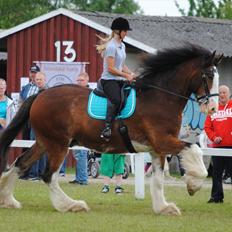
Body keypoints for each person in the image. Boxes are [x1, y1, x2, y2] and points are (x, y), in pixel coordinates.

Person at [96, 17, 135, 141]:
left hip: (118, 80)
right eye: (125, 31)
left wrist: (132, 73)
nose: (126, 33)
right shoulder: (111, 46)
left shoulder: (122, 46)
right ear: (118, 31)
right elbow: (111, 69)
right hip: (108, 80)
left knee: (128, 95)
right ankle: (107, 127)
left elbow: (122, 65)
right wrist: (126, 76)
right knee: (117, 100)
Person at [204, 85, 232, 203]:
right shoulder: (212, 109)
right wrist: (214, 137)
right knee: (216, 174)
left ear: (229, 93)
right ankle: (216, 197)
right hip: (218, 148)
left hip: (231, 147)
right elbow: (207, 127)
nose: (222, 95)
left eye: (224, 92)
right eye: (220, 92)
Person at [69, 72, 89, 185]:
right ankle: (78, 178)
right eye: (78, 80)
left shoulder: (88, 94)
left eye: (81, 80)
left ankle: (82, 179)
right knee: (76, 154)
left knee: (81, 154)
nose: (79, 82)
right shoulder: (77, 94)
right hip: (75, 127)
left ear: (86, 81)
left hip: (84, 128)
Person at [27, 72, 48, 180]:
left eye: (40, 79)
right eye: (37, 79)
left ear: (45, 80)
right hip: (33, 123)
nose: (38, 81)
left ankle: (38, 173)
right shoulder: (33, 91)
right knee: (33, 147)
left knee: (41, 148)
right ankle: (34, 173)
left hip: (43, 125)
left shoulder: (48, 92)